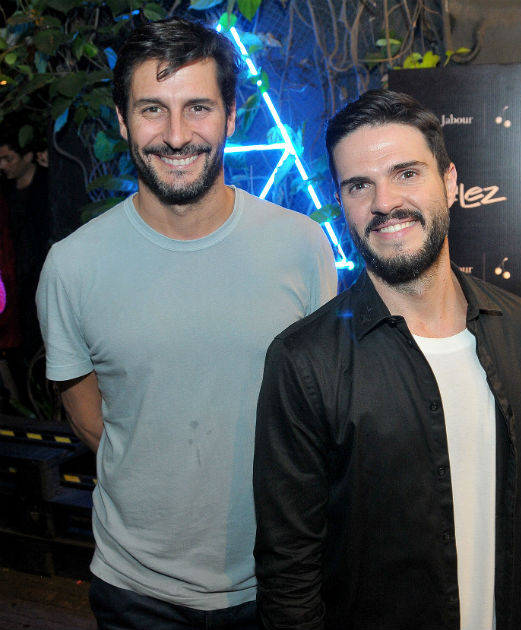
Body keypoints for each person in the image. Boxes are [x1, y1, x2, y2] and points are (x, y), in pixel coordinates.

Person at [36, 17, 337, 630]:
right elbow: (91, 420)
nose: (176, 136)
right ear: (122, 121)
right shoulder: (72, 265)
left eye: (198, 107)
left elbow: (323, 413)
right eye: (153, 109)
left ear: (231, 117)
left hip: (281, 581)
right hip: (136, 591)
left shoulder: (302, 246)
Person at [253, 89, 521, 630]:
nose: (384, 203)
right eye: (359, 185)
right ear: (341, 201)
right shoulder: (303, 362)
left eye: (406, 173)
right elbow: (289, 574)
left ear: (450, 183)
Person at [0, 120, 51, 403]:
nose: (3, 166)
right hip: (14, 283)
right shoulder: (6, 192)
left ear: (28, 156)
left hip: (41, 278)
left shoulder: (48, 185)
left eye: (8, 158)